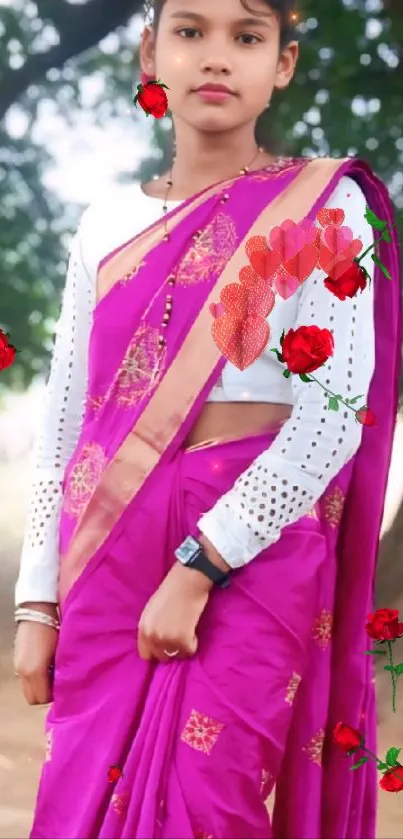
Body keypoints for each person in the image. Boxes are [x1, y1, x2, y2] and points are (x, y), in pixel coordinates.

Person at [13, 0, 401, 837]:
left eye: (247, 36)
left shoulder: (327, 213)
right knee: (81, 799)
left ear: (283, 65)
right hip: (109, 542)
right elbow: (65, 428)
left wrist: (200, 567)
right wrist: (35, 604)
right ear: (150, 54)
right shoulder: (104, 226)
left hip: (253, 546)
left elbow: (330, 422)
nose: (216, 57)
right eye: (190, 32)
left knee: (209, 801)